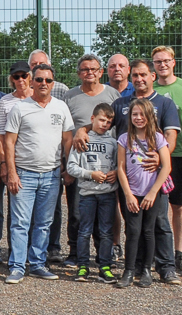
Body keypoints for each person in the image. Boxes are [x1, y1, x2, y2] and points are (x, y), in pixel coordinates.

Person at [107, 59, 182, 284]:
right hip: (130, 180)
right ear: (131, 77)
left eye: (144, 75)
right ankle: (136, 268)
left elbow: (170, 136)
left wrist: (160, 158)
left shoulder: (165, 103)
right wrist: (83, 131)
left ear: (152, 76)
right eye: (135, 76)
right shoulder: (121, 103)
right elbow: (102, 124)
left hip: (154, 180)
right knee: (134, 226)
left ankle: (166, 267)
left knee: (158, 222)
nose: (139, 79)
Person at [1, 64, 74, 284]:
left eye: (48, 81)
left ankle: (38, 264)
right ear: (32, 81)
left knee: (44, 222)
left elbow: (68, 139)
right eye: (40, 80)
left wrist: (67, 167)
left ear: (53, 83)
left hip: (51, 174)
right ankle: (17, 266)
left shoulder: (61, 107)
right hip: (24, 174)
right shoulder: (20, 108)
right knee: (20, 223)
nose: (43, 84)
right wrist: (12, 173)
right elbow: (9, 142)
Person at [55, 54, 121, 266]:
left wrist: (119, 167)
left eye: (93, 69)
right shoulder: (71, 96)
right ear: (78, 73)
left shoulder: (113, 94)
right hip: (80, 165)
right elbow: (65, 131)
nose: (89, 73)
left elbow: (119, 128)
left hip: (106, 165)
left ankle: (106, 252)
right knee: (76, 211)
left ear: (101, 72)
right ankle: (75, 252)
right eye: (84, 69)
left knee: (106, 212)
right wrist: (66, 166)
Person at [114, 99, 173, 288]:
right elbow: (121, 168)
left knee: (149, 231)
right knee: (132, 231)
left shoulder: (157, 138)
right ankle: (129, 270)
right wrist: (128, 194)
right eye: (134, 114)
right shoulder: (124, 139)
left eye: (142, 114)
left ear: (150, 116)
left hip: (151, 194)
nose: (138, 118)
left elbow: (166, 167)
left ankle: (147, 269)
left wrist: (153, 192)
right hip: (132, 194)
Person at [150, 45, 182, 271]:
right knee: (154, 206)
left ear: (173, 62)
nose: (162, 65)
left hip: (179, 154)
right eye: (158, 62)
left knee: (179, 204)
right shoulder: (149, 89)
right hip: (151, 158)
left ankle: (179, 253)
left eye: (166, 60)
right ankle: (153, 252)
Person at [66, 103, 120, 284]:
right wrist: (90, 174)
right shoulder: (82, 140)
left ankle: (105, 266)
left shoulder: (113, 143)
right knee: (84, 231)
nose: (104, 124)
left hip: (107, 194)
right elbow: (71, 167)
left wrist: (115, 173)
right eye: (101, 120)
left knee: (106, 232)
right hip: (87, 194)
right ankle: (83, 266)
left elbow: (118, 166)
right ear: (92, 119)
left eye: (108, 122)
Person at [0, 61, 31, 266]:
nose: (20, 80)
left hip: (33, 163)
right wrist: (3, 164)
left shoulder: (40, 98)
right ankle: (7, 250)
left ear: (30, 77)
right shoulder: (5, 101)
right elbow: (2, 136)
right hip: (12, 161)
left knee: (34, 211)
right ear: (10, 79)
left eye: (24, 76)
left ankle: (34, 252)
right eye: (16, 77)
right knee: (8, 208)